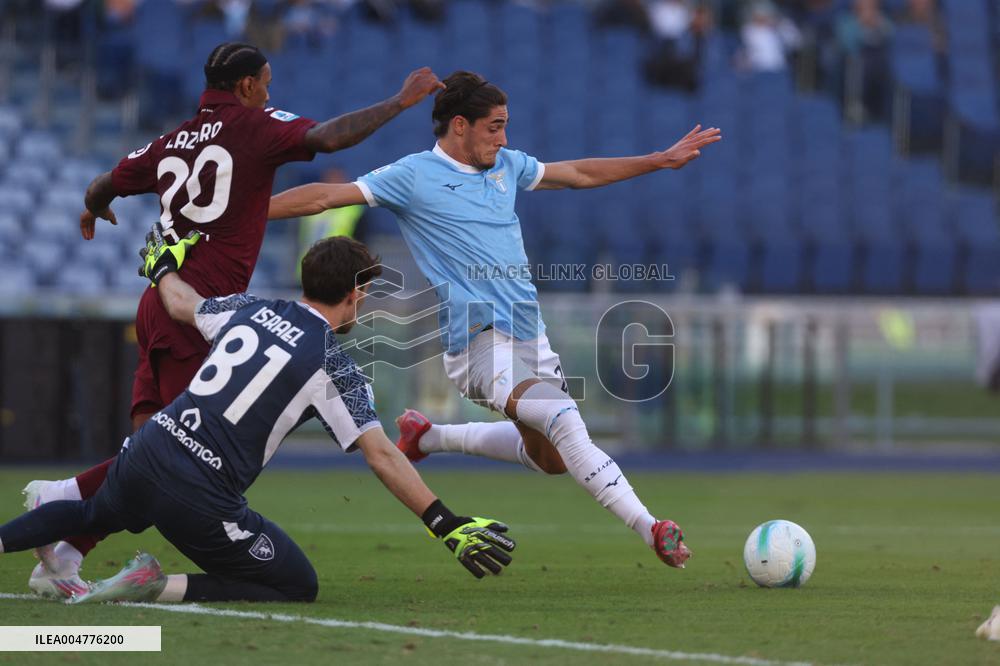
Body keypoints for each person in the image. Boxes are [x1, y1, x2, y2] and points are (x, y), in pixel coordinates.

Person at [22, 41, 444, 599]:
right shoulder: (254, 126)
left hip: (160, 300)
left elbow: (106, 182)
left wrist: (94, 206)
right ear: (247, 86)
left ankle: (66, 554)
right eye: (266, 83)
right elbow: (328, 138)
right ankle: (59, 498)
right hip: (202, 312)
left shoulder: (174, 139)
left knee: (149, 446)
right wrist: (400, 101)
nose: (270, 93)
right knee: (171, 458)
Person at [267, 71, 722, 567]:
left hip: (530, 334)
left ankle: (430, 437)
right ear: (459, 125)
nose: (504, 138)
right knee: (564, 419)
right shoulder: (413, 175)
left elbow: (578, 174)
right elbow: (326, 197)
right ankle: (652, 527)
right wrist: (242, 216)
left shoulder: (506, 166)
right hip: (477, 339)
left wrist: (658, 160)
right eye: (495, 127)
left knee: (551, 458)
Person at [0, 229, 515, 603]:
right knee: (297, 584)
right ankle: (154, 586)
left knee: (91, 515)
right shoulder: (332, 363)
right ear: (355, 293)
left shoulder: (251, 308)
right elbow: (380, 453)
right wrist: (445, 523)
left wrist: (162, 269)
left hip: (149, 448)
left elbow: (183, 304)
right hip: (199, 491)